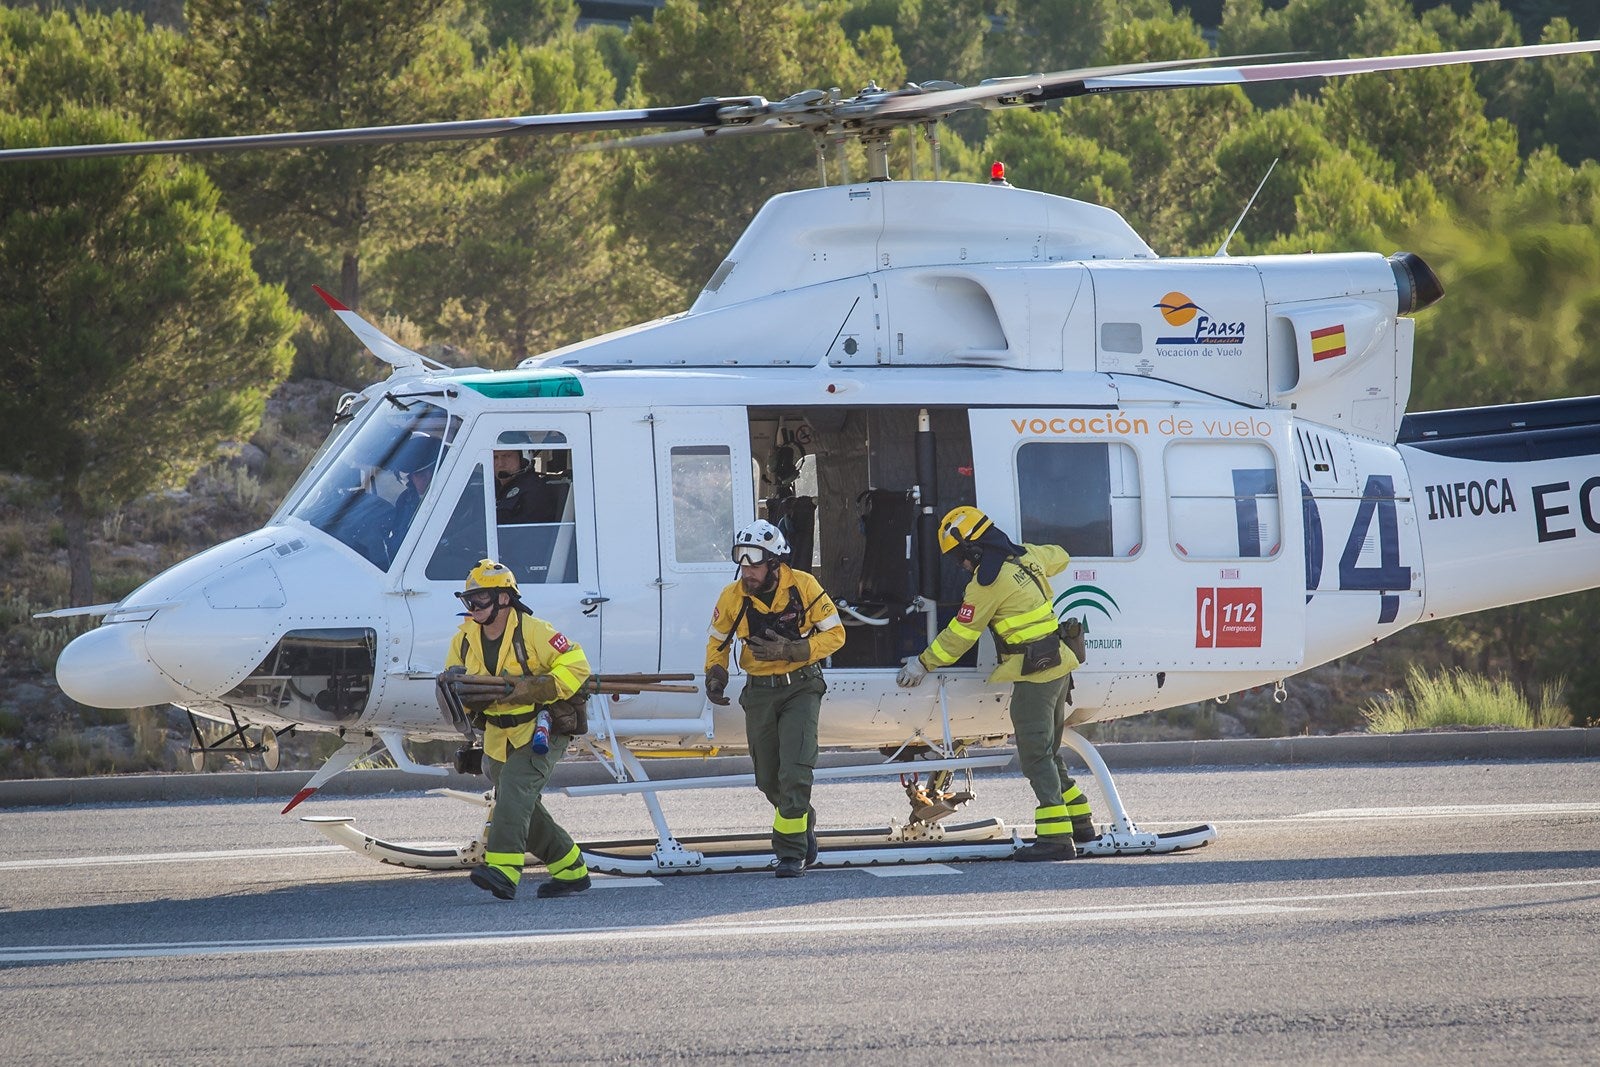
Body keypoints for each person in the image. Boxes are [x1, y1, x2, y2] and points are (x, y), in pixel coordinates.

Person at [896, 506, 1097, 861]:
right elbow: (1061, 556)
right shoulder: (1029, 557)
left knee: (1035, 756)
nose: (961, 566)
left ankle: (1056, 838)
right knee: (1049, 751)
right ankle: (1080, 821)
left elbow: (960, 635)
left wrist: (922, 664)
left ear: (973, 549)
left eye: (961, 558)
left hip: (1035, 676)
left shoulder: (987, 584)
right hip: (1060, 667)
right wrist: (1028, 556)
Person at [443, 559, 593, 900]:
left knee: (513, 787)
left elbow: (577, 664)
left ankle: (504, 871)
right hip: (497, 736)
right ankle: (571, 870)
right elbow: (457, 687)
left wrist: (538, 688)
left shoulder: (535, 631)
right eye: (469, 599)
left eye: (481, 598)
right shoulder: (463, 640)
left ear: (505, 599)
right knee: (518, 799)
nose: (473, 606)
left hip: (542, 730)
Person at [704, 519, 845, 877]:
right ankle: (803, 820)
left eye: (755, 564)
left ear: (775, 562)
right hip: (760, 692)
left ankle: (790, 854)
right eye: (743, 564)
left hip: (801, 686)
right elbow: (717, 643)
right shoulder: (732, 597)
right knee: (768, 778)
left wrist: (796, 649)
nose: (747, 572)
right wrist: (715, 675)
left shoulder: (804, 585)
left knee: (795, 771)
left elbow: (836, 635)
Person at [494, 448, 561, 524]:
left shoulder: (535, 491)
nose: (500, 464)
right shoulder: (490, 487)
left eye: (507, 456)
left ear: (523, 460)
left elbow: (525, 532)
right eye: (495, 457)